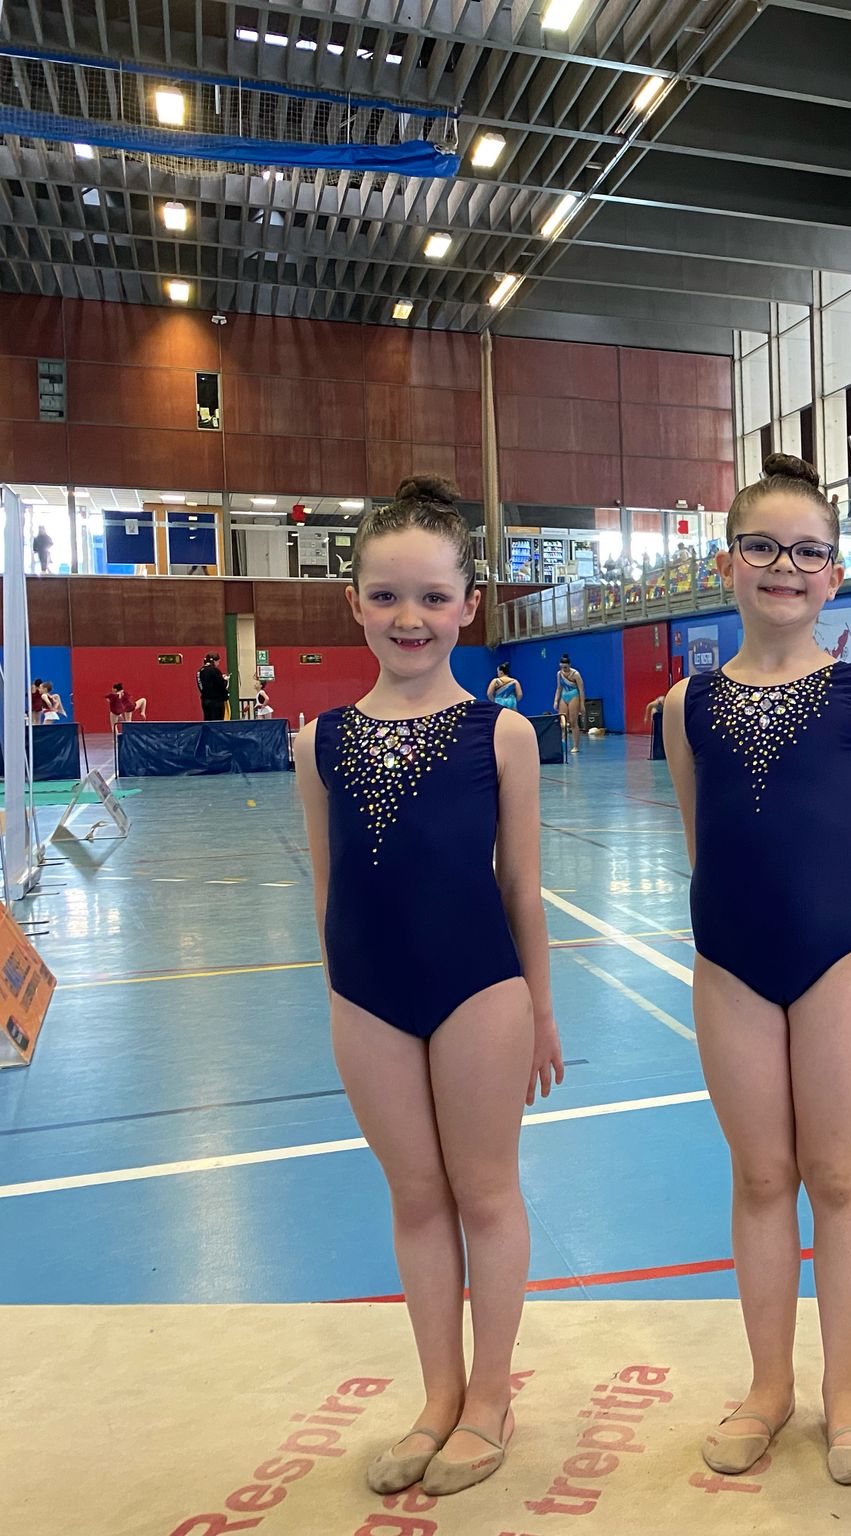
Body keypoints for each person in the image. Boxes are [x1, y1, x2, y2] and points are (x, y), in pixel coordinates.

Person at [292, 473, 562, 1497]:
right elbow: (327, 888)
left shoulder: (501, 735)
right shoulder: (319, 742)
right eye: (387, 595)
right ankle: (437, 1395)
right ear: (354, 603)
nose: (410, 617)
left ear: (468, 606)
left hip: (479, 989)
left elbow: (521, 890)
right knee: (414, 1196)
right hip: (367, 995)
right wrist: (339, 1000)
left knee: (484, 1191)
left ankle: (490, 1396)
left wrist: (540, 1012)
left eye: (433, 597)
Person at [661, 452, 851, 1488]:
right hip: (730, 958)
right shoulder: (686, 705)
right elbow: (700, 840)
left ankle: (847, 1388)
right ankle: (769, 1386)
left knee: (838, 1174)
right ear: (726, 564)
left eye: (808, 552)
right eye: (762, 547)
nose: (784, 567)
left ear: (834, 575)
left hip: (840, 953)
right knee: (761, 1176)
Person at [552, 654, 585, 753]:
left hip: (574, 695)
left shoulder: (575, 674)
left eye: (566, 667)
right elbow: (559, 688)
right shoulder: (559, 674)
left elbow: (581, 690)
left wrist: (582, 704)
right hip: (564, 695)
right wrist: (556, 700)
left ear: (569, 665)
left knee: (573, 722)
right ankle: (563, 744)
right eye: (562, 667)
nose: (564, 669)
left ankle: (575, 746)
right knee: (562, 722)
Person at [197, 653, 231, 721]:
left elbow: (200, 685)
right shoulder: (215, 671)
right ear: (214, 661)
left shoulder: (200, 671)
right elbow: (220, 686)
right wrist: (224, 680)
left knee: (208, 720)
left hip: (205, 700)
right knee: (217, 722)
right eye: (218, 662)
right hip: (216, 702)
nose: (218, 664)